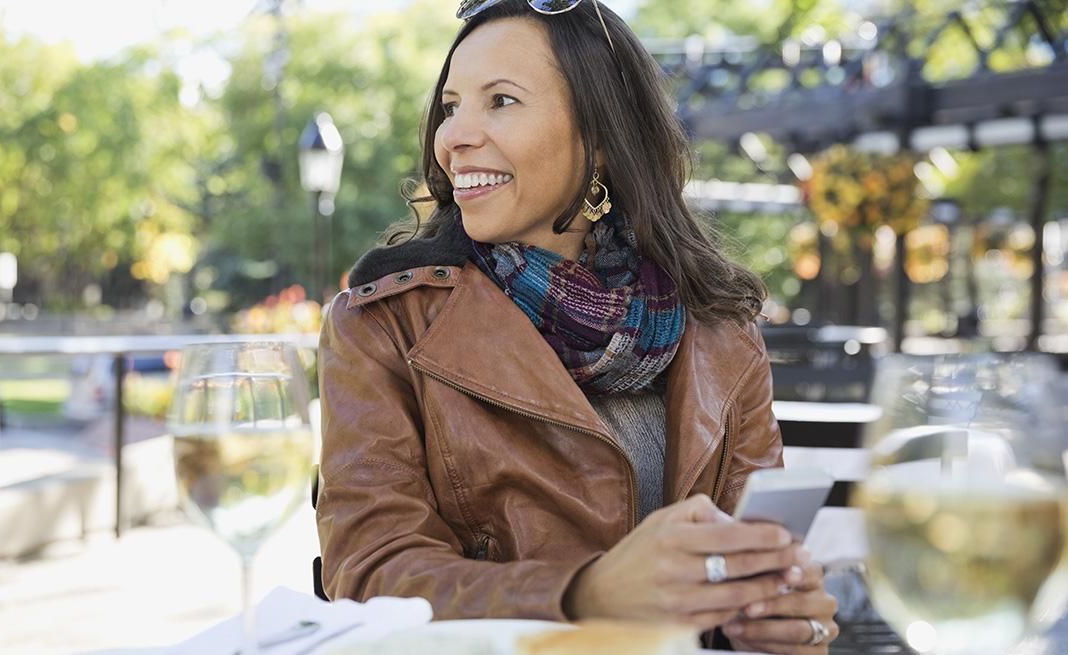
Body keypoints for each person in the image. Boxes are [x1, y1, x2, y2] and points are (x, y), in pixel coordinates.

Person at [315, 0, 839, 651]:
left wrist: (782, 618)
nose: (453, 137)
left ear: (600, 140)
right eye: (452, 107)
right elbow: (370, 572)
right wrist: (583, 591)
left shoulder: (723, 328)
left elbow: (748, 572)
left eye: (500, 100)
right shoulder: (382, 323)